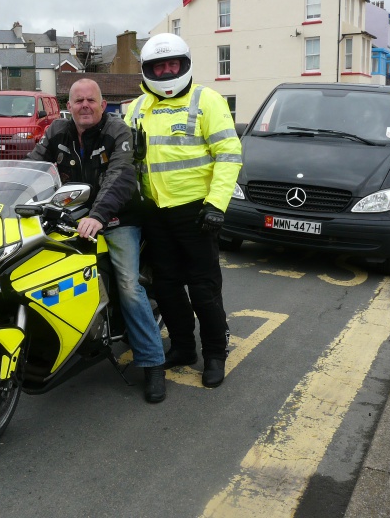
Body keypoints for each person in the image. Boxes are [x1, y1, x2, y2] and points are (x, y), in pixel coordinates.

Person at [27, 78, 167, 403]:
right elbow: (32, 167)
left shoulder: (116, 131)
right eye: (79, 101)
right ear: (69, 106)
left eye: (91, 100)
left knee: (129, 285)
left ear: (103, 105)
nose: (85, 105)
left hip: (117, 218)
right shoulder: (56, 132)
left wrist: (99, 215)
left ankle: (153, 362)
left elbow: (121, 174)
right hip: (70, 216)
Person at [124, 33, 242, 388]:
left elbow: (229, 153)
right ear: (148, 70)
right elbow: (123, 159)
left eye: (172, 64)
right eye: (159, 66)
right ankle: (182, 347)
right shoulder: (135, 108)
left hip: (197, 213)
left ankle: (215, 354)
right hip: (155, 213)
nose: (167, 71)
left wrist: (216, 205)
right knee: (168, 287)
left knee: (204, 289)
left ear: (184, 64)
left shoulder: (208, 100)